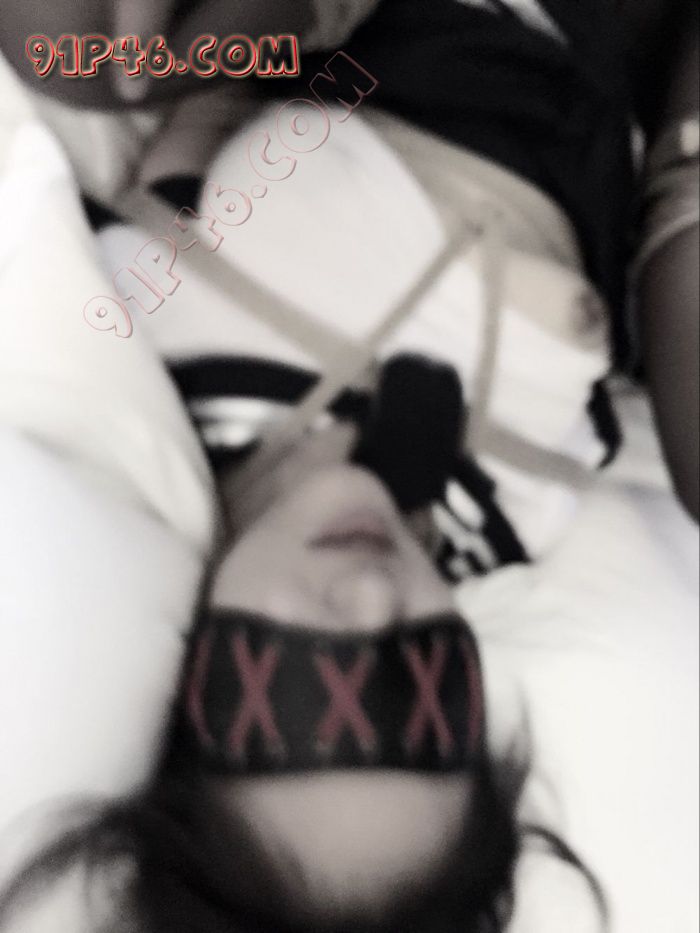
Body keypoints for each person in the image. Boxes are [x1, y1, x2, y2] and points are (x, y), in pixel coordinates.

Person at [0, 1, 696, 931]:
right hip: (623, 78)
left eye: (290, 688)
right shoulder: (499, 519)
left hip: (372, 35)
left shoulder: (162, 354)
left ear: (191, 694)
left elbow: (188, 130)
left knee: (76, 52)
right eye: (424, 691)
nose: (369, 600)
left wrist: (206, 65)